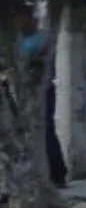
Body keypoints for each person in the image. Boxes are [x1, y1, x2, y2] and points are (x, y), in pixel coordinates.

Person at [14, 28, 67, 185]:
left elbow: (43, 66)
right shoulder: (16, 38)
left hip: (39, 90)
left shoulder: (38, 39)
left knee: (45, 131)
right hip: (27, 90)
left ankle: (55, 174)